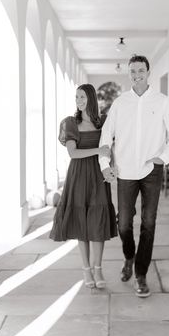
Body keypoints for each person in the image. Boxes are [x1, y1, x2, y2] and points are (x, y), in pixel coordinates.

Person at [99, 55, 169, 298]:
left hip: (151, 171)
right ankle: (129, 256)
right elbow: (106, 137)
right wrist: (105, 164)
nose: (137, 74)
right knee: (124, 223)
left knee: (148, 223)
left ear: (148, 72)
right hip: (125, 171)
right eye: (133, 71)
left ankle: (141, 274)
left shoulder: (162, 101)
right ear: (129, 74)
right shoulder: (120, 103)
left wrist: (163, 158)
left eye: (141, 70)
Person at [50, 83, 117, 289]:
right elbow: (73, 153)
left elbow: (110, 148)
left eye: (82, 97)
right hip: (78, 175)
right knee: (82, 224)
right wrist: (98, 150)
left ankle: (98, 268)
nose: (78, 101)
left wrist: (111, 166)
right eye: (76, 97)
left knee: (97, 222)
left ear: (91, 99)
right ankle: (86, 269)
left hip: (98, 176)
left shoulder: (104, 121)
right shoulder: (70, 123)